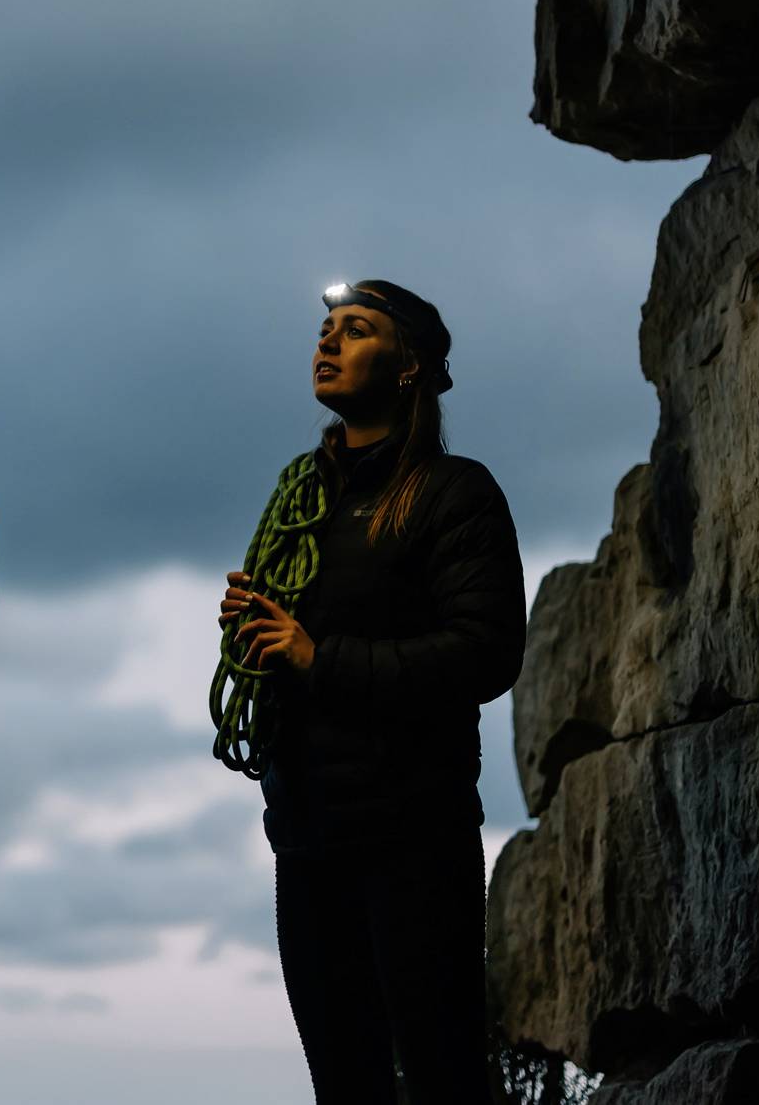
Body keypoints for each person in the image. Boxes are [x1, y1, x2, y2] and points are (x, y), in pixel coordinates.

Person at [215, 280, 524, 1105]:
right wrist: (259, 626)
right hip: (307, 837)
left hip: (413, 839)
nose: (328, 342)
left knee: (441, 1070)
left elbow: (486, 652)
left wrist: (320, 655)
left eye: (355, 330)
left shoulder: (455, 493)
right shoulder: (300, 495)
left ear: (410, 366)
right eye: (325, 330)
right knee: (342, 1082)